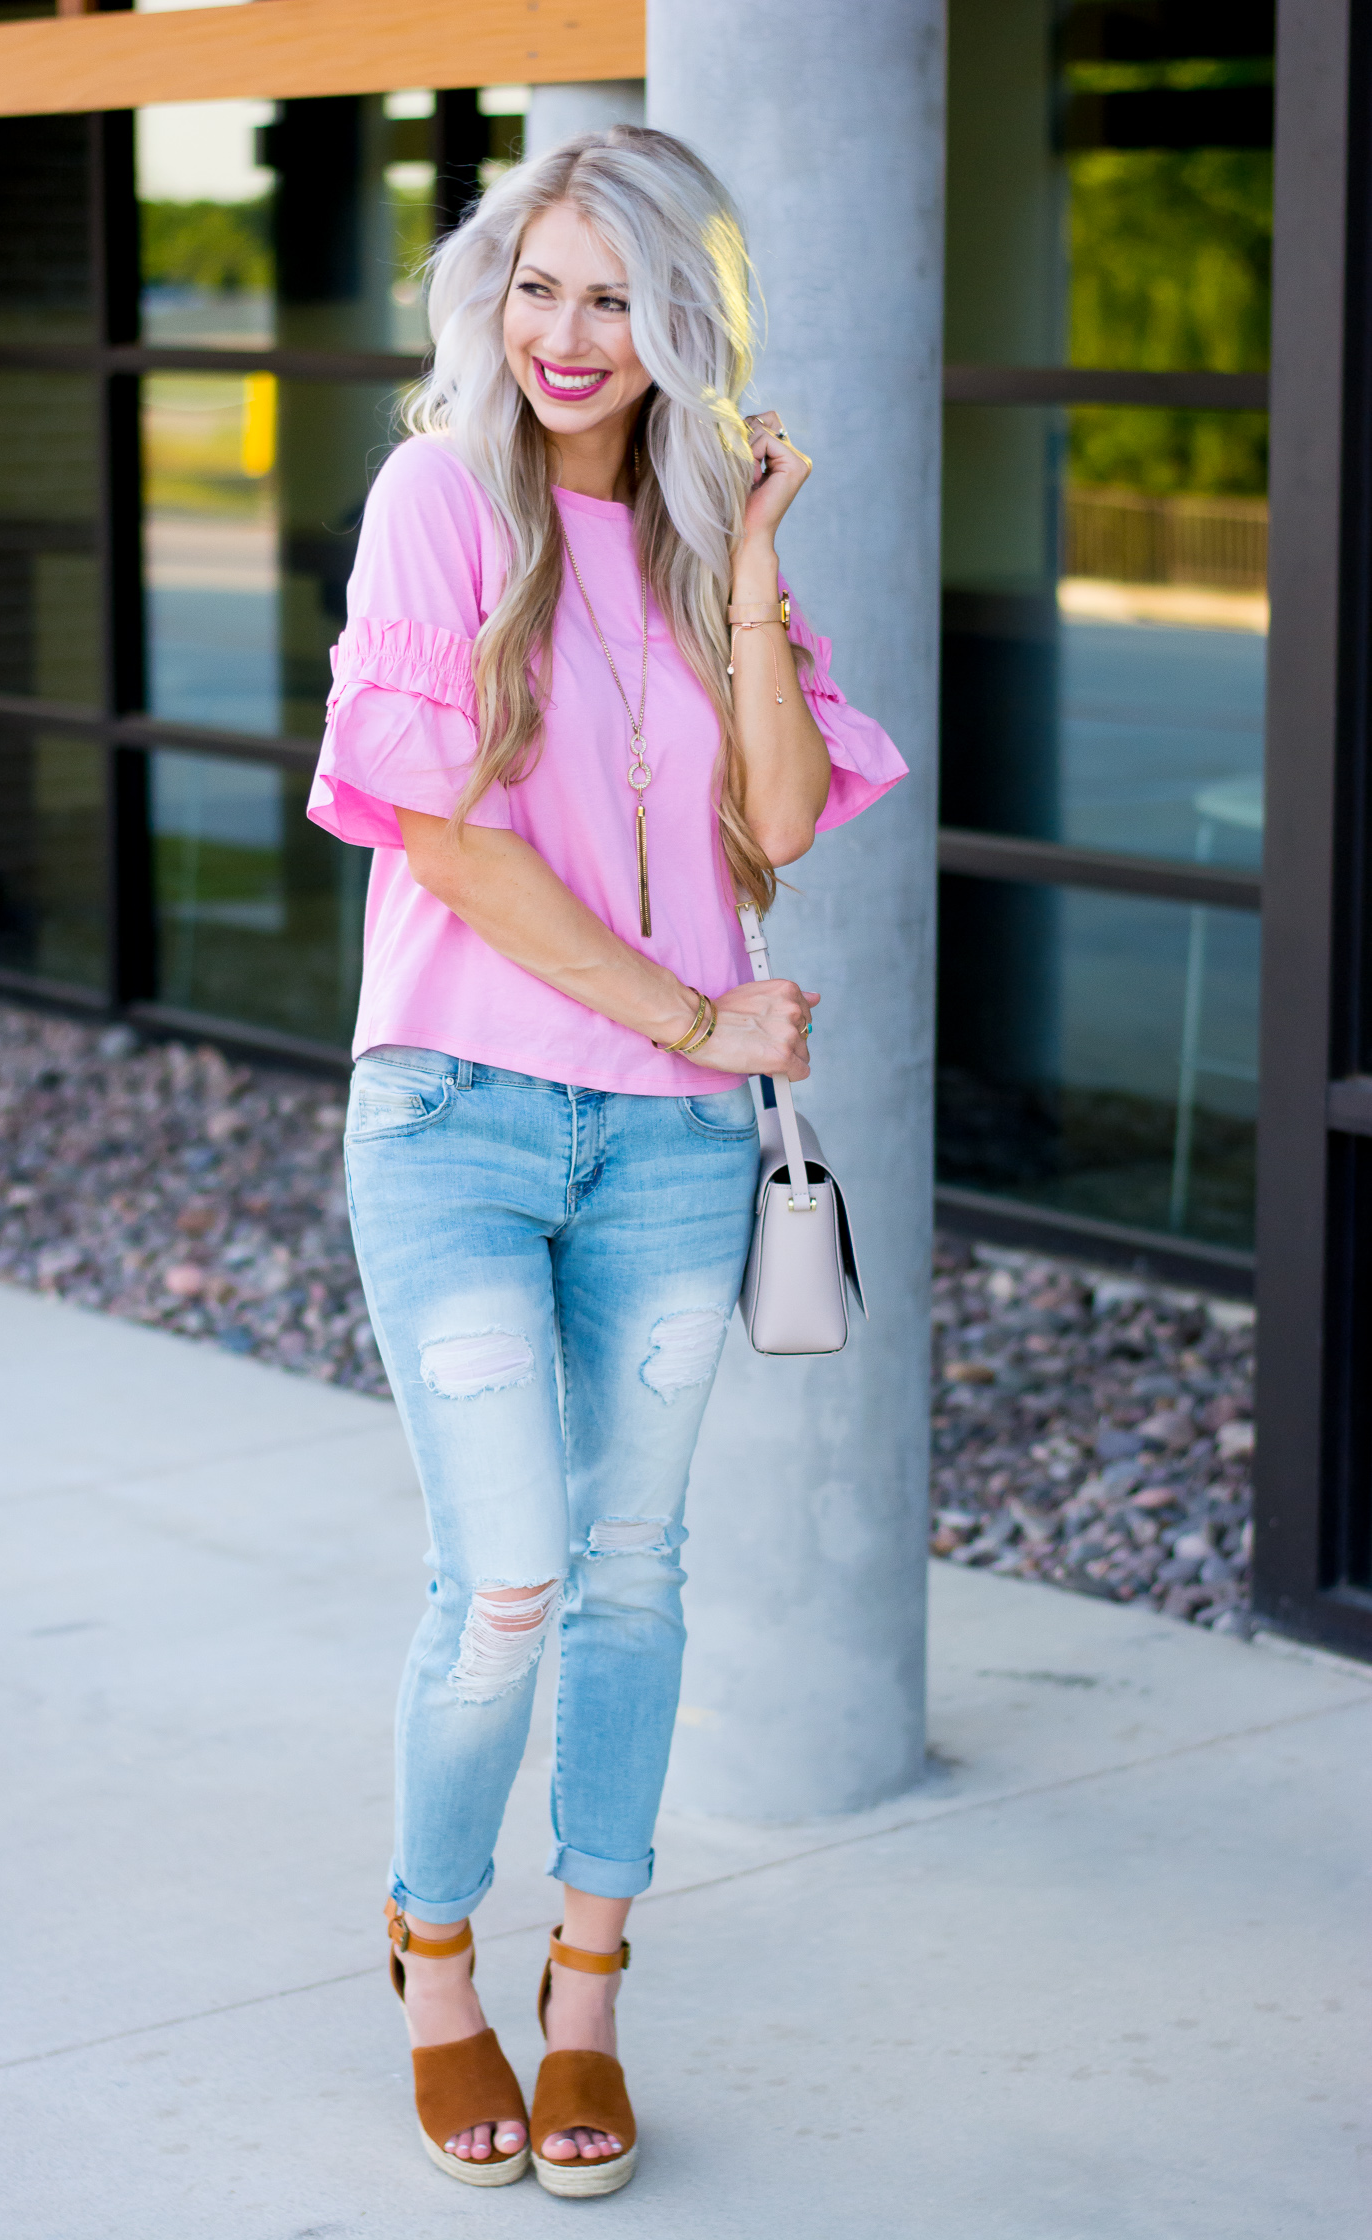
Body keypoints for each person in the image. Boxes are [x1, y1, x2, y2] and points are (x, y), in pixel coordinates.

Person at [307, 123, 905, 2198]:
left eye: (616, 297)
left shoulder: (697, 530)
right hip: (457, 1116)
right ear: (494, 302)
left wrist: (744, 568)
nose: (568, 335)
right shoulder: (436, 501)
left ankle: (584, 1998)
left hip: (664, 1154)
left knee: (633, 1574)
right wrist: (695, 1017)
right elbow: (450, 842)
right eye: (537, 288)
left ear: (678, 323)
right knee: (510, 1581)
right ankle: (433, 1958)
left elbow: (782, 817)